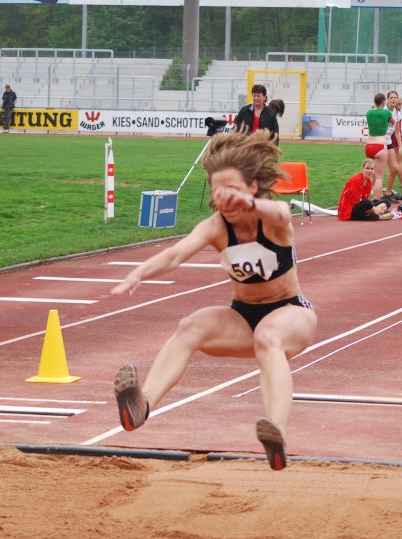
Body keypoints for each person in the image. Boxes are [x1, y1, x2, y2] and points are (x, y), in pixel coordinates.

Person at [109, 130, 317, 472]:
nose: (226, 201)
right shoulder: (216, 227)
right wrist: (139, 273)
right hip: (242, 317)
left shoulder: (273, 218)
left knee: (268, 336)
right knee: (190, 326)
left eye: (233, 190)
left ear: (252, 187)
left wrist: (250, 205)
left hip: (291, 313)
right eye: (219, 192)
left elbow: (281, 213)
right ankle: (141, 405)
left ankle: (276, 432)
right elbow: (176, 254)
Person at [365, 92, 395, 200]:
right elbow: (393, 122)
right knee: (378, 176)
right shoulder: (386, 112)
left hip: (368, 145)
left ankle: (365, 197)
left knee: (369, 175)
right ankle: (376, 200)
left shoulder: (368, 112)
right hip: (380, 145)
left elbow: (372, 112)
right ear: (384, 102)